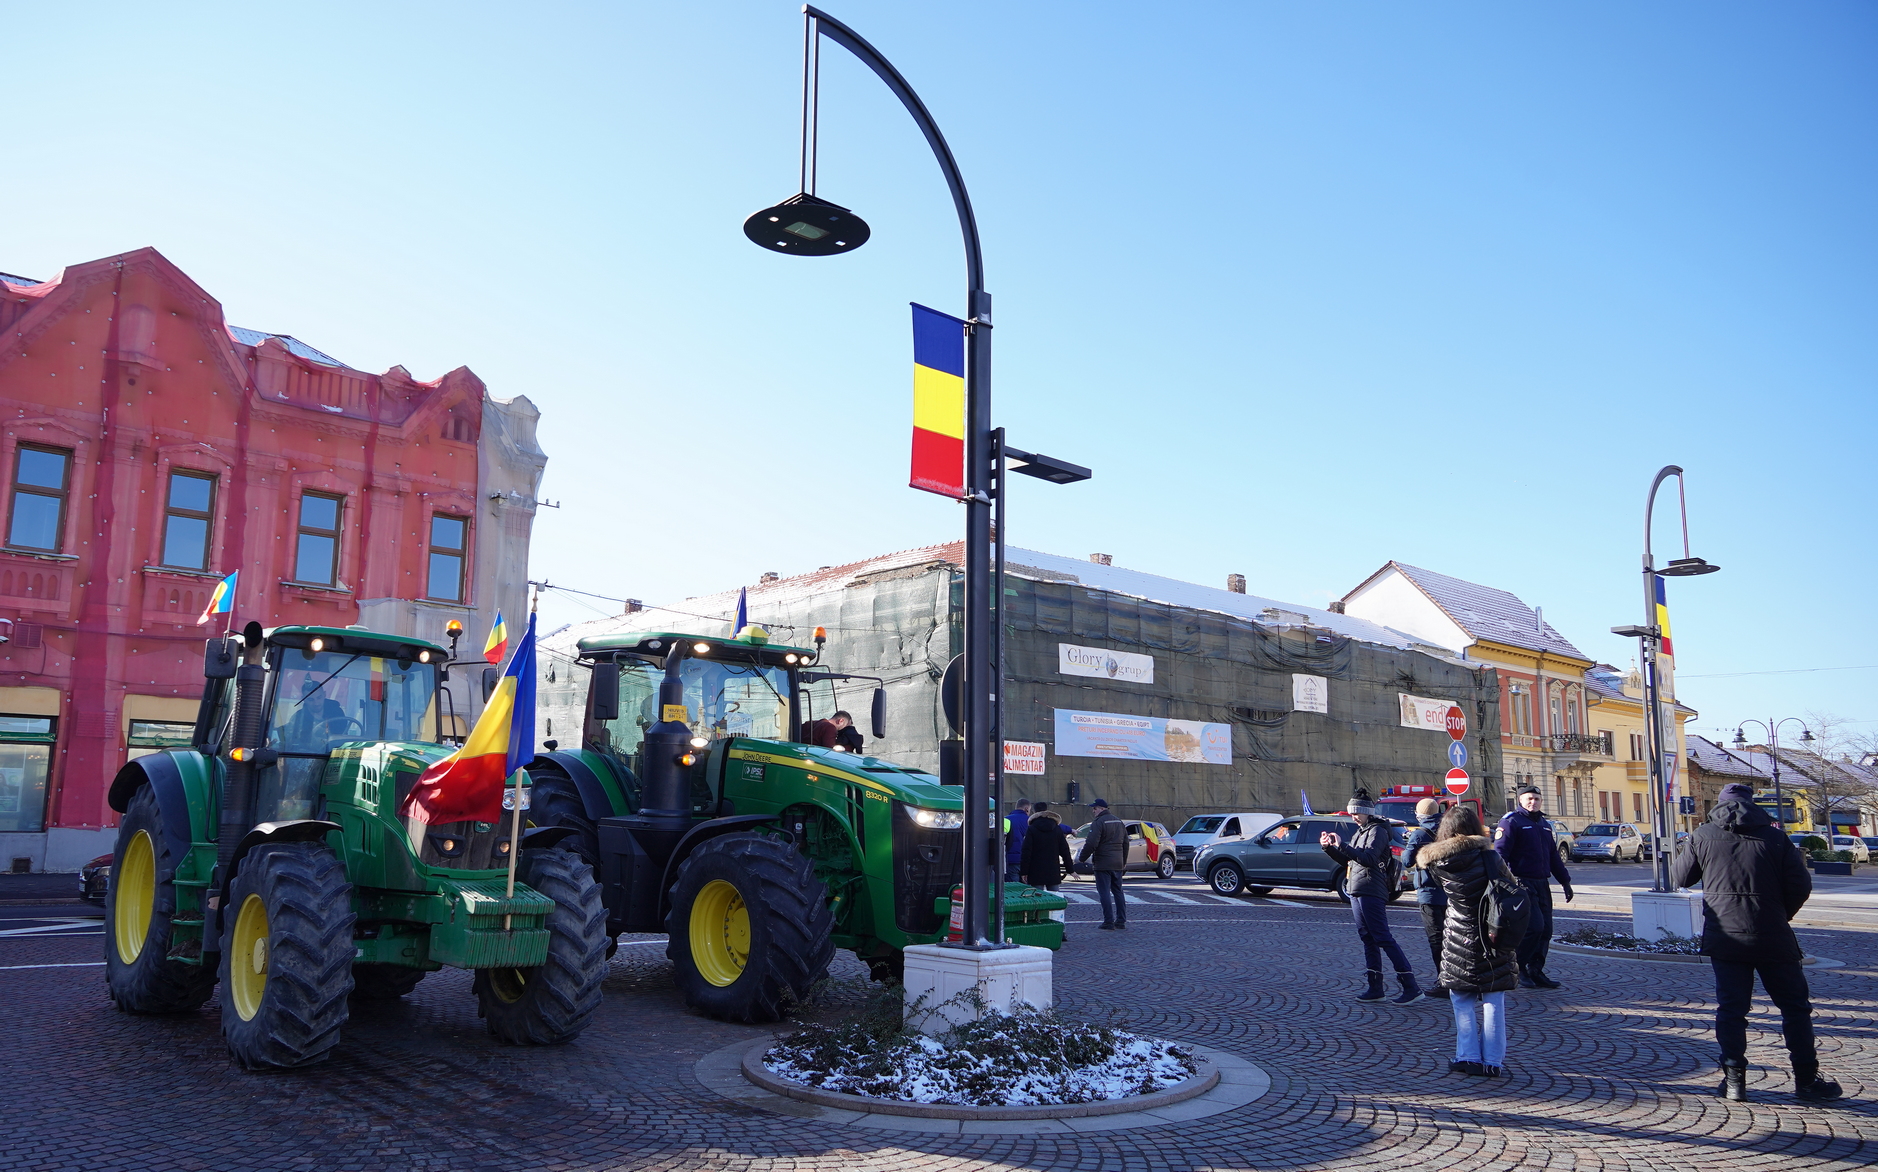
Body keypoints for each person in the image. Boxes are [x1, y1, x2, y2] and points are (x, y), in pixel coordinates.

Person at [1671, 782, 1843, 1102]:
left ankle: (1734, 1082)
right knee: (1795, 1008)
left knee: (1731, 1010)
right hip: (1773, 935)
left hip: (1726, 938)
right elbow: (1800, 885)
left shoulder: (1702, 835)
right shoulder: (1776, 837)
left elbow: (1681, 878)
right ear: (1753, 804)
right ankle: (1806, 1080)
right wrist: (1780, 914)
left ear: (1719, 805)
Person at [1420, 804, 1519, 1077]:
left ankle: (1468, 1057)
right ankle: (1493, 1063)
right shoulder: (1490, 858)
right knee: (1493, 1000)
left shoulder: (1437, 862)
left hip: (1458, 935)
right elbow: (1512, 888)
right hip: (1492, 934)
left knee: (1461, 998)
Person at [1320, 791, 1422, 1004]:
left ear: (1367, 812)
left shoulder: (1377, 831)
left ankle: (1411, 986)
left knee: (1383, 937)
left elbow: (1367, 859)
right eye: (1351, 813)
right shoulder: (1361, 831)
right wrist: (1329, 848)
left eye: (1357, 812)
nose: (1353, 817)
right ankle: (1375, 987)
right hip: (1357, 888)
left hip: (1371, 889)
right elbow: (1350, 863)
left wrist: (1343, 845)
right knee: (1367, 938)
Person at [1494, 785, 1573, 989]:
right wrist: (1503, 883)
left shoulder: (1544, 824)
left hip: (1541, 883)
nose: (1533, 802)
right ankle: (1518, 968)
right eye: (1529, 799)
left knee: (1546, 930)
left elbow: (1553, 856)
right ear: (1520, 800)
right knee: (1534, 928)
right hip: (1521, 882)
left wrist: (1565, 882)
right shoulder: (1511, 822)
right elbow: (1500, 854)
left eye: (1537, 799)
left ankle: (1536, 970)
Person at [1403, 797, 1449, 991]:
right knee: (1451, 937)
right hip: (1450, 891)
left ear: (1419, 815)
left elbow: (1406, 861)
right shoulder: (1448, 829)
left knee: (1436, 938)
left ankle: (1444, 982)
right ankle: (1456, 977)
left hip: (1429, 891)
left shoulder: (1420, 834)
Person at [1076, 798, 1128, 930]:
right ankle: (1121, 920)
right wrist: (1123, 861)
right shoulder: (1118, 821)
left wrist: (1081, 858)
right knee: (1118, 891)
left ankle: (1108, 921)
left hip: (1103, 862)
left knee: (1104, 892)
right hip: (1117, 862)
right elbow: (1125, 843)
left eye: (1095, 808)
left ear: (1102, 809)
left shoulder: (1099, 822)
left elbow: (1091, 843)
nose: (1093, 811)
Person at [1021, 802, 1075, 891]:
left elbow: (1026, 851)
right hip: (1053, 869)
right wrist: (1070, 869)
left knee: (1037, 899)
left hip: (1035, 869)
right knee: (1055, 898)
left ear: (1034, 811)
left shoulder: (1032, 828)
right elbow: (1065, 850)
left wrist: (1024, 872)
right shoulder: (1057, 828)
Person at [1005, 799, 1031, 882]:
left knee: (1013, 887)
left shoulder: (1005, 820)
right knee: (1027, 890)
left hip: (1010, 860)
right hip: (1027, 860)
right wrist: (1070, 830)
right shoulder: (1030, 821)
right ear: (1026, 809)